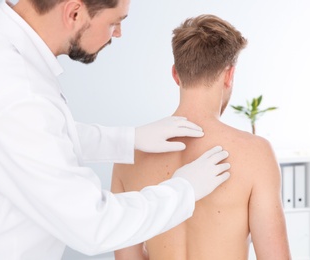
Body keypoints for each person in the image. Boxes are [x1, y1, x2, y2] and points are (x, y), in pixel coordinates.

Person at [0, 0, 232, 259]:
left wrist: (128, 139)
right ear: (74, 12)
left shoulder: (0, 50)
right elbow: (93, 226)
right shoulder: (18, 93)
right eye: (115, 22)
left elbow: (33, 137)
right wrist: (185, 190)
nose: (118, 34)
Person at [112, 14, 291, 260]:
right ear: (229, 76)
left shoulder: (129, 153)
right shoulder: (255, 153)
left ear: (176, 74)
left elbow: (126, 258)